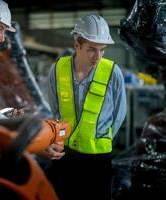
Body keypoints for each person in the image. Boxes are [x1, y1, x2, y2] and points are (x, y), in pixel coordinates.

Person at [41, 14, 127, 200]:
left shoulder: (113, 73)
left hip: (99, 159)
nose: (98, 56)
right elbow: (54, 111)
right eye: (91, 49)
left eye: (102, 50)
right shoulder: (57, 70)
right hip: (65, 156)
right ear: (76, 45)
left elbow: (119, 114)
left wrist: (101, 136)